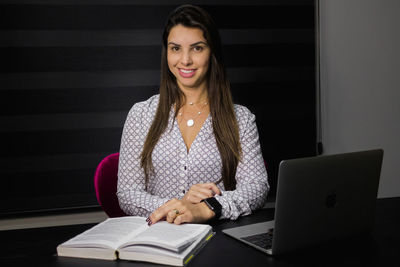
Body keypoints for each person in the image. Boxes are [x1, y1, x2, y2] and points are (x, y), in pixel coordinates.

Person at [117, 4, 269, 226]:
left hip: (219, 239)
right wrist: (180, 206)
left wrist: (208, 208)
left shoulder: (241, 119)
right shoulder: (141, 115)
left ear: (212, 52)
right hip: (160, 239)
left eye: (197, 48)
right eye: (175, 48)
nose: (185, 60)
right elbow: (128, 193)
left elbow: (257, 189)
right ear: (166, 52)